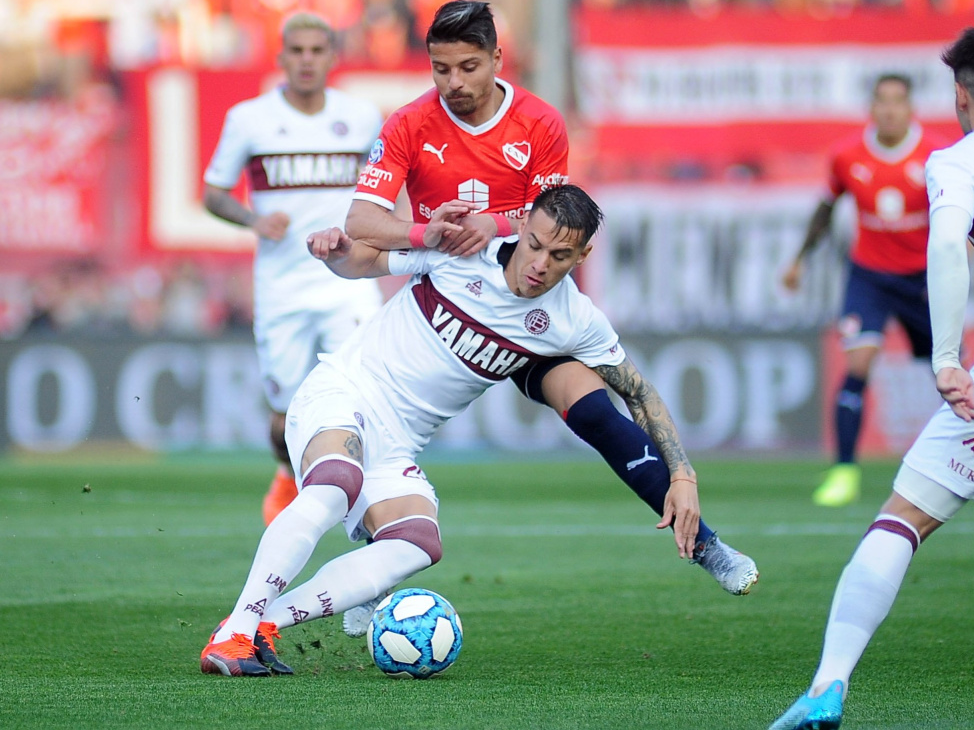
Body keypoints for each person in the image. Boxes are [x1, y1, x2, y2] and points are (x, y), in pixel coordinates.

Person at [200, 184, 746, 677]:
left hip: (396, 445)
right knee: (336, 484)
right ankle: (233, 634)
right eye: (535, 245)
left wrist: (683, 475)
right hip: (343, 393)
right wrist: (336, 252)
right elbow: (363, 262)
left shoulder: (574, 320)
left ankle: (261, 623)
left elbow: (639, 392)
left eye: (560, 256)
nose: (540, 264)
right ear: (522, 226)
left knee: (417, 543)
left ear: (582, 256)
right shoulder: (462, 251)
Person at [342, 0, 758, 632]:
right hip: (453, 297)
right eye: (441, 69)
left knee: (597, 412)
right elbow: (362, 221)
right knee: (376, 429)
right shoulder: (407, 123)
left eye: (468, 67)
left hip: (529, 302)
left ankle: (708, 547)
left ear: (497, 58)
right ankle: (370, 569)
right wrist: (430, 234)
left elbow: (553, 216)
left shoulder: (539, 122)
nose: (454, 82)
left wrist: (494, 224)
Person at [770, 26, 974, 730]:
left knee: (901, 519)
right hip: (873, 279)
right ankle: (843, 467)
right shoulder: (857, 158)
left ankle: (827, 688)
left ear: (958, 95)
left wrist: (946, 357)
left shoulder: (957, 161)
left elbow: (947, 246)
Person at [203, 12, 384, 526]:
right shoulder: (249, 119)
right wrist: (253, 219)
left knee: (366, 396)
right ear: (282, 57)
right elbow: (213, 192)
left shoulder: (362, 117)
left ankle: (368, 497)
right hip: (282, 285)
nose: (307, 60)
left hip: (349, 281)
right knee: (284, 415)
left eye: (316, 50)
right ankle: (287, 473)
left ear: (332, 57)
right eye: (297, 51)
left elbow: (386, 186)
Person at [781, 73, 949, 507]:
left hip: (922, 280)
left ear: (910, 108)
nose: (889, 110)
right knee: (857, 364)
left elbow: (959, 215)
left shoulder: (935, 156)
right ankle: (844, 472)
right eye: (882, 101)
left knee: (950, 374)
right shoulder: (847, 156)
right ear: (871, 108)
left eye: (897, 101)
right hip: (869, 277)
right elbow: (826, 208)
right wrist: (799, 259)